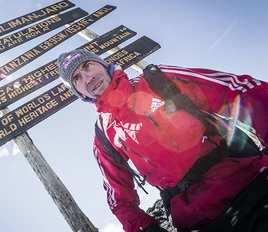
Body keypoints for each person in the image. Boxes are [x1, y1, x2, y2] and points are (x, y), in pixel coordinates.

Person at [57, 49, 268, 232]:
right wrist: (145, 228)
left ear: (103, 65)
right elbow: (120, 201)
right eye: (77, 78)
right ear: (78, 91)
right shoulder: (103, 135)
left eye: (88, 65)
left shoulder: (157, 80)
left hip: (250, 184)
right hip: (198, 221)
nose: (87, 77)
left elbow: (239, 90)